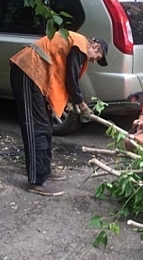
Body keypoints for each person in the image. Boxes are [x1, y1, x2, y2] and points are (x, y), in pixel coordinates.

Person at [10, 31, 108, 196]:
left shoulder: (76, 45)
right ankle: (36, 181)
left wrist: (72, 102)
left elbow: (63, 75)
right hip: (27, 71)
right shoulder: (80, 46)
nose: (93, 61)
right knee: (36, 128)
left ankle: (44, 170)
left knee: (46, 127)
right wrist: (81, 105)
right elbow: (71, 78)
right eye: (97, 57)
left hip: (37, 76)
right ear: (95, 46)